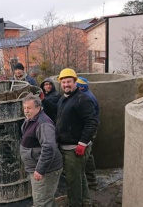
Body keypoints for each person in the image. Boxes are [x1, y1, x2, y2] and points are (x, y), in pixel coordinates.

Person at [56, 68, 98, 206]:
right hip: (66, 146)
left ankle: (76, 204)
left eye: (69, 82)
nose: (66, 85)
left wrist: (83, 143)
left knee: (73, 181)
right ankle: (86, 202)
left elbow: (92, 122)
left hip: (75, 148)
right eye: (63, 82)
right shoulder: (64, 99)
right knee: (80, 177)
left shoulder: (82, 99)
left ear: (75, 82)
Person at [20, 94, 63, 207]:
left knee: (41, 202)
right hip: (36, 166)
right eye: (24, 108)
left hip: (47, 170)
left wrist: (40, 169)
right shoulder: (31, 119)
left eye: (29, 108)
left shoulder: (43, 124)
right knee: (47, 199)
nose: (26, 111)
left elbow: (49, 148)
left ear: (38, 107)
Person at [76, 77, 100, 189]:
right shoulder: (84, 95)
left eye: (76, 85)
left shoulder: (87, 98)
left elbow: (90, 120)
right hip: (87, 127)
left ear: (81, 87)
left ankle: (91, 181)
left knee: (88, 154)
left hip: (89, 129)